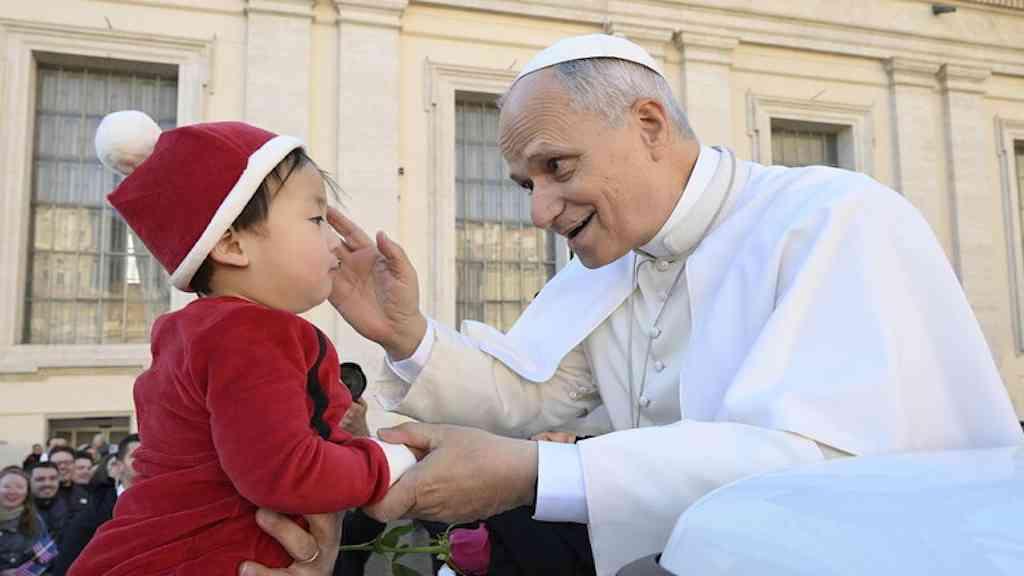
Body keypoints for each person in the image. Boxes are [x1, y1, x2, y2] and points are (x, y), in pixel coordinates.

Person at [247, 33, 1024, 576]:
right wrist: (408, 334)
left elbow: (823, 465)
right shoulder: (611, 256)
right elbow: (536, 395)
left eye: (556, 167)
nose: (540, 212)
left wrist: (535, 475)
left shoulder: (833, 218)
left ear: (648, 125)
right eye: (526, 184)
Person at [66, 112, 415, 576]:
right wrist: (394, 461)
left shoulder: (201, 330)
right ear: (231, 245)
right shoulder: (252, 333)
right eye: (315, 219)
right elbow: (286, 472)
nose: (335, 243)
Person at [49, 435, 140, 576]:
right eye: (137, 457)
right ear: (118, 465)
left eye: (153, 457)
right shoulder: (93, 511)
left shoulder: (170, 507)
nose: (147, 463)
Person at [0, 468, 56, 575]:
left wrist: (23, 573)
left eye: (20, 487)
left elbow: (47, 554)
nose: (13, 491)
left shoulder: (35, 520)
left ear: (27, 492)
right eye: (6, 486)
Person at [28, 462, 70, 545]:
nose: (47, 483)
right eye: (40, 479)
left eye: (53, 478)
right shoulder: (18, 511)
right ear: (29, 481)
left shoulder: (72, 505)